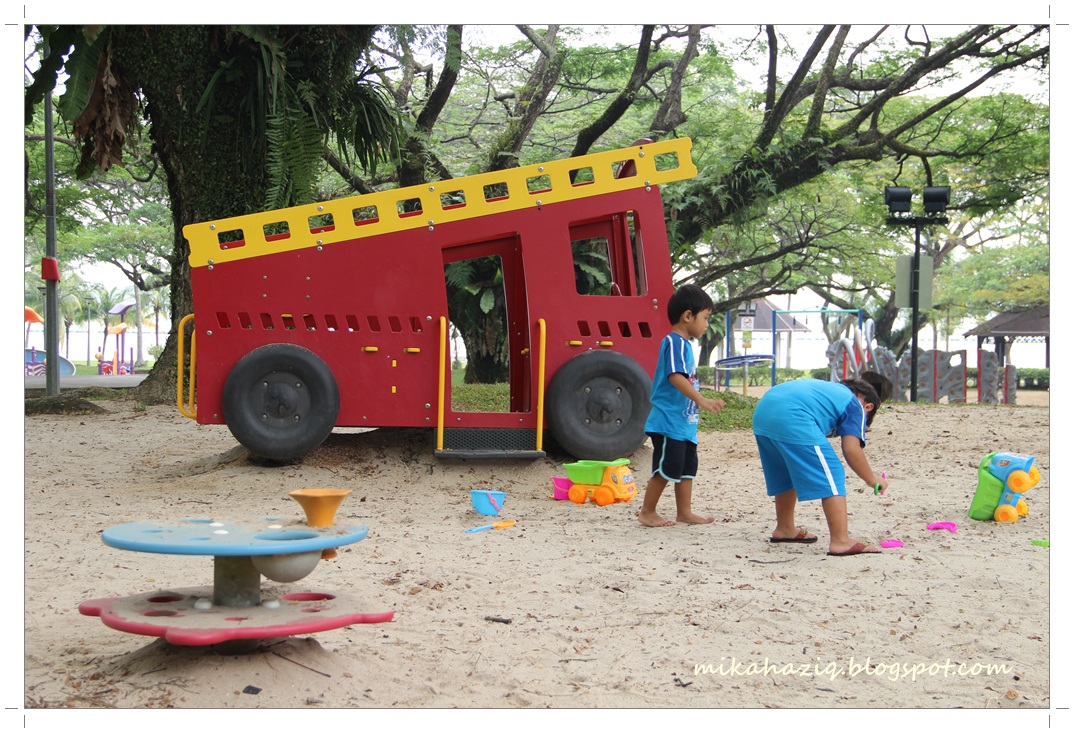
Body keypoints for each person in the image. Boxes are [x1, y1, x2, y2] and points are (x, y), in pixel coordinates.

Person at [751, 374, 890, 556]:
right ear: (868, 406)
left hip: (763, 412)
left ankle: (785, 528)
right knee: (832, 472)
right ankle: (841, 541)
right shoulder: (855, 404)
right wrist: (871, 479)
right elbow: (851, 449)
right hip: (794, 416)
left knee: (785, 470)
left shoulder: (827, 393)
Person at [638, 284, 726, 527]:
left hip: (683, 423)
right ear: (688, 316)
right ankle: (647, 511)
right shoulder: (674, 342)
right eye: (706, 318)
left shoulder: (685, 345)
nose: (707, 324)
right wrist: (702, 400)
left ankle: (684, 512)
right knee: (667, 467)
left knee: (687, 469)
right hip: (668, 421)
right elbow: (675, 376)